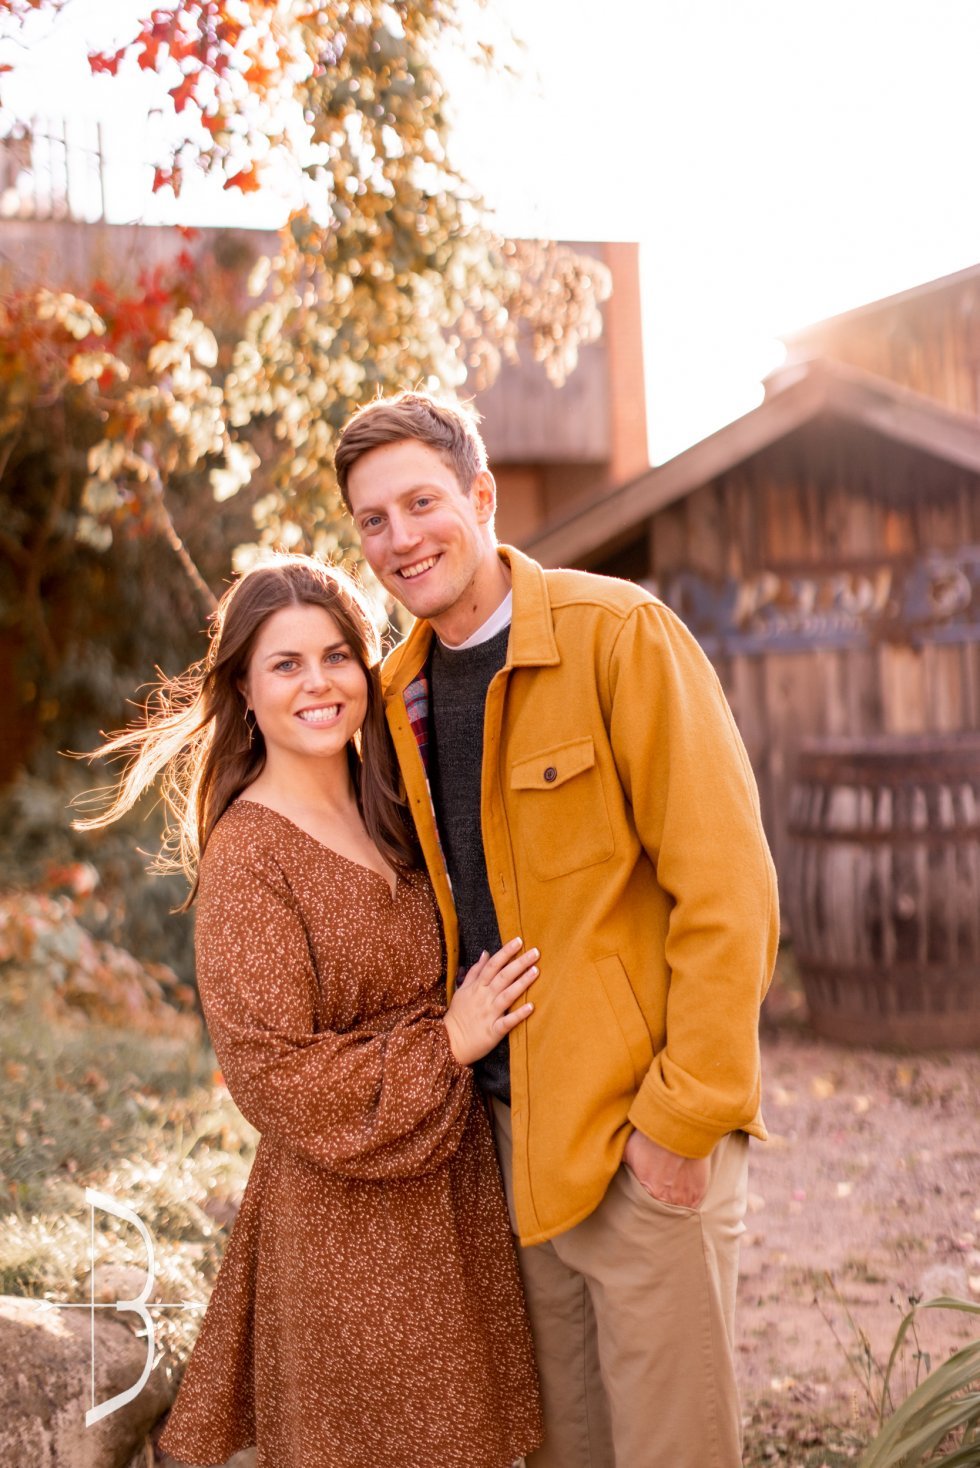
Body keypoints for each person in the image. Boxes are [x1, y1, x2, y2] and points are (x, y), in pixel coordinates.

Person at [335, 392, 780, 1468]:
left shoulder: (616, 636)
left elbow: (728, 892)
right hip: (507, 1148)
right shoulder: (392, 694)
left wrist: (682, 1119)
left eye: (422, 503)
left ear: (481, 496)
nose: (400, 539)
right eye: (372, 520)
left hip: (639, 1135)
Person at [77, 555, 543, 1468]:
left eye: (336, 656)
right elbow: (274, 1076)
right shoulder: (249, 856)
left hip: (454, 1197)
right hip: (344, 1227)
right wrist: (448, 1043)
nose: (318, 683)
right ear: (245, 693)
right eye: (285, 664)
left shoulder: (397, 811)